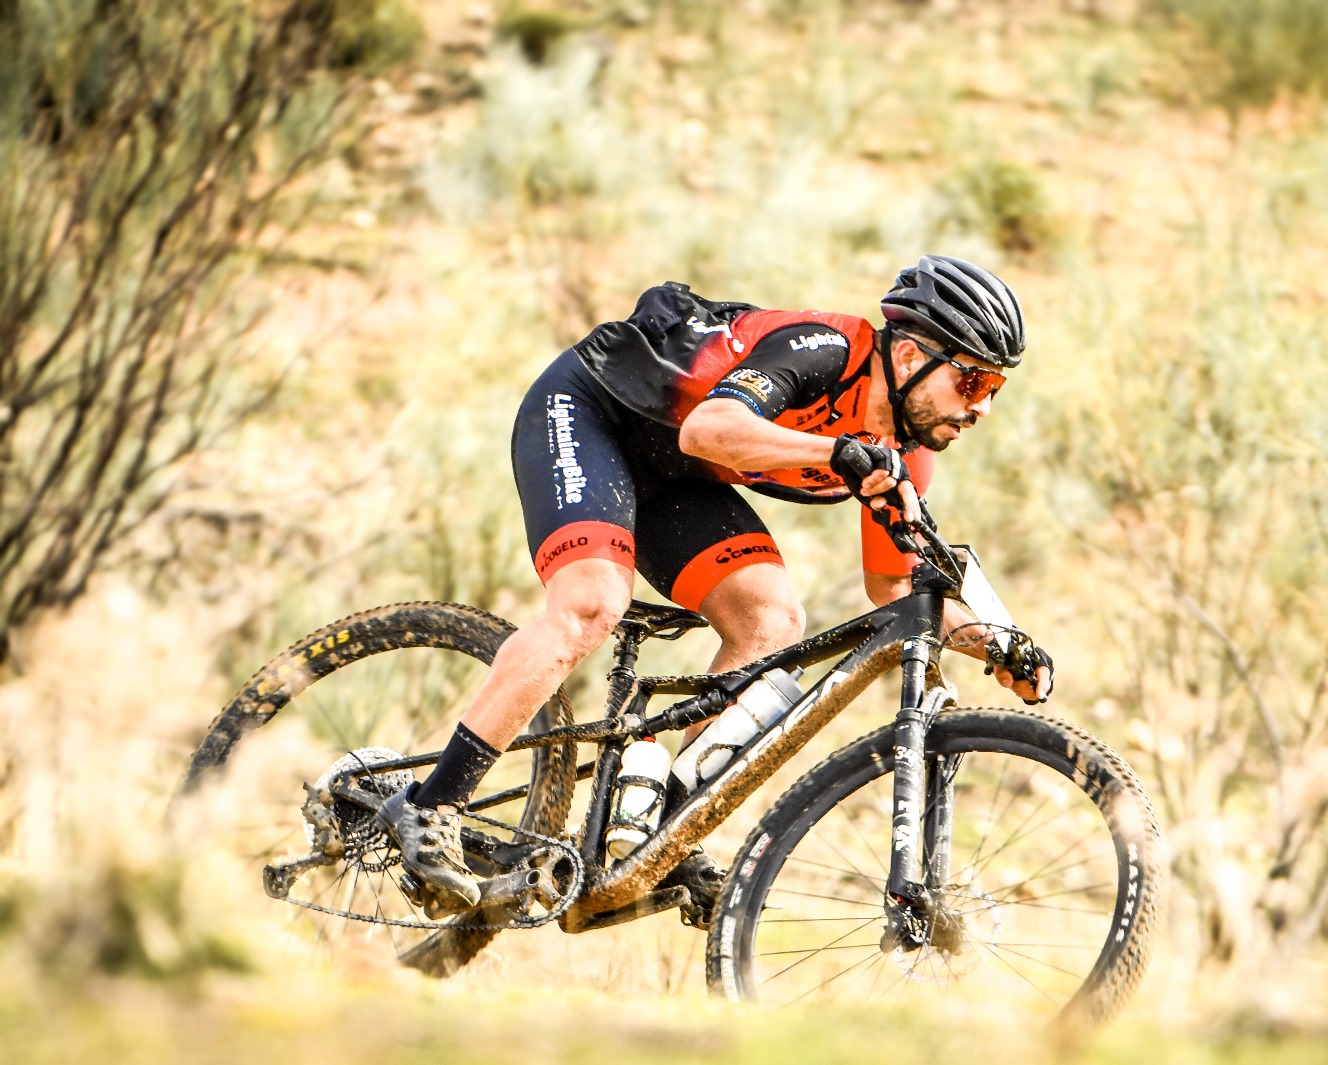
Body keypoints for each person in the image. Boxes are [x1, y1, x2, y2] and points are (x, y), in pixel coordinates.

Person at [379, 255, 1054, 925]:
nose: (984, 407)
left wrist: (996, 645)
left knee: (772, 619)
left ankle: (660, 837)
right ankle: (430, 806)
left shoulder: (911, 454)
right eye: (973, 380)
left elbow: (892, 583)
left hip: (678, 474)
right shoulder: (822, 350)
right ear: (909, 356)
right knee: (591, 604)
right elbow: (709, 429)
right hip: (595, 412)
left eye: (996, 388)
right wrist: (836, 452)